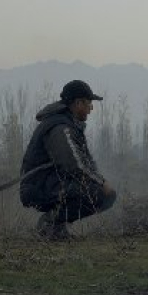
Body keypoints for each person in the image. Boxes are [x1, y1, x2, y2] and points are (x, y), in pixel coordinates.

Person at [20, 80, 117, 239]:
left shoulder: (68, 124)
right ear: (78, 103)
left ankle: (57, 227)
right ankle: (50, 224)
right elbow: (73, 165)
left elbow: (86, 162)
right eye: (89, 104)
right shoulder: (61, 128)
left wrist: (99, 179)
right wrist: (101, 182)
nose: (90, 110)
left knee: (101, 192)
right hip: (39, 187)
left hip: (48, 183)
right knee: (102, 194)